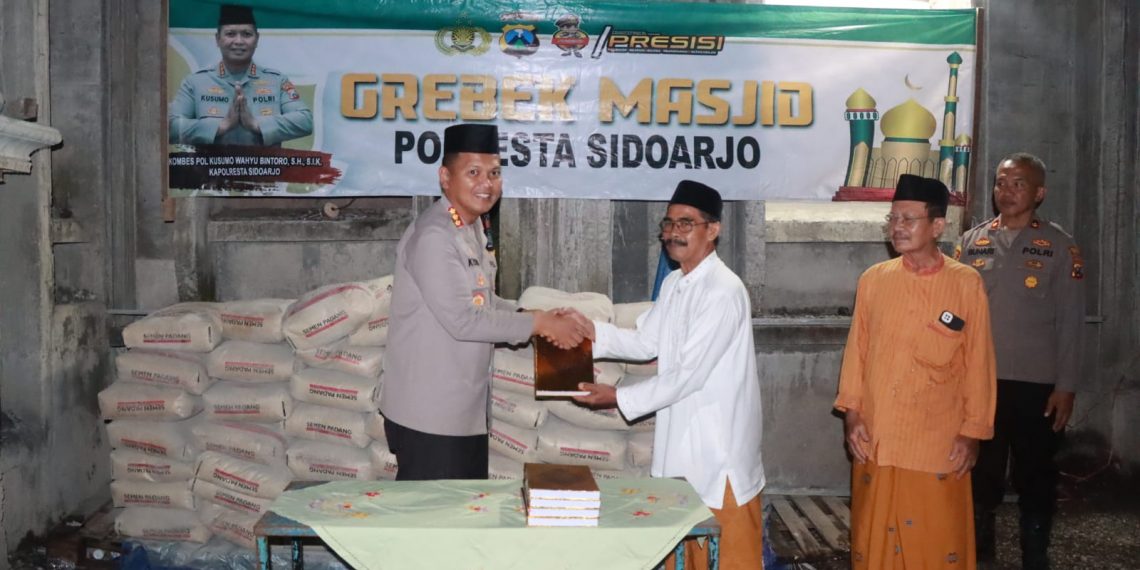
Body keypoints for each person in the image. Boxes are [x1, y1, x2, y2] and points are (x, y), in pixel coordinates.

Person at [571, 180, 766, 570]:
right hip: (681, 444)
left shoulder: (722, 291)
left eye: (687, 223)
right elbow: (645, 342)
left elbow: (688, 376)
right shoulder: (677, 283)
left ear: (713, 230)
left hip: (716, 452)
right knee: (686, 555)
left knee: (727, 557)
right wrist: (590, 332)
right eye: (670, 223)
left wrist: (617, 397)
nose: (674, 232)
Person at [378, 123, 587, 481]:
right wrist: (538, 324)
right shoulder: (435, 235)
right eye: (473, 172)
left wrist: (534, 315)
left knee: (463, 523)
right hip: (430, 416)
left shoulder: (470, 227)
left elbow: (482, 301)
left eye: (494, 173)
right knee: (433, 527)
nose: (486, 183)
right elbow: (464, 320)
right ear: (445, 177)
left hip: (461, 412)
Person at [835, 174, 996, 570]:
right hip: (878, 438)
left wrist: (972, 433)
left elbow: (979, 363)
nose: (898, 228)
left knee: (936, 550)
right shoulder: (873, 280)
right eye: (893, 219)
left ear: (938, 226)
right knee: (875, 549)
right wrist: (852, 416)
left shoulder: (965, 284)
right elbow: (857, 352)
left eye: (909, 219)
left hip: (936, 443)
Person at [957, 153, 1085, 570]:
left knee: (1036, 473)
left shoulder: (1060, 246)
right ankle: (981, 551)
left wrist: (1065, 386)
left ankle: (1035, 552)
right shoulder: (971, 241)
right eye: (1001, 183)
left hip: (1037, 384)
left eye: (1017, 184)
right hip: (981, 382)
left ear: (1039, 193)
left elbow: (1070, 322)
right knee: (981, 472)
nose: (1006, 192)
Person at [168, 5, 312, 146]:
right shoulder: (195, 82)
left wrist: (256, 124)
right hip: (212, 169)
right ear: (217, 39)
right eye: (230, 34)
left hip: (264, 169)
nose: (238, 41)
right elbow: (170, 127)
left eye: (246, 34)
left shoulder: (276, 80)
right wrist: (220, 126)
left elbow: (305, 121)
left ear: (257, 39)